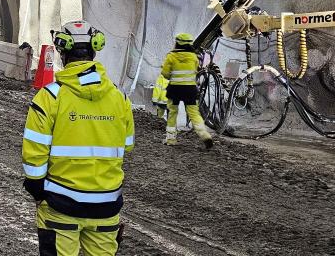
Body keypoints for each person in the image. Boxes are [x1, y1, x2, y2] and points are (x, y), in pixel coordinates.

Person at [22, 20, 134, 256]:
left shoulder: (49, 98)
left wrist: (38, 192)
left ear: (62, 52)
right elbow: (127, 145)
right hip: (106, 207)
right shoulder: (120, 98)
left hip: (60, 206)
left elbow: (34, 159)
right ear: (94, 51)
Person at [160, 33, 213, 148]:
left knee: (172, 113)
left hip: (174, 89)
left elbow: (165, 74)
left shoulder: (171, 56)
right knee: (194, 113)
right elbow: (195, 71)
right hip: (190, 89)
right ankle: (205, 135)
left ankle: (170, 139)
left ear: (177, 43)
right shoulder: (194, 57)